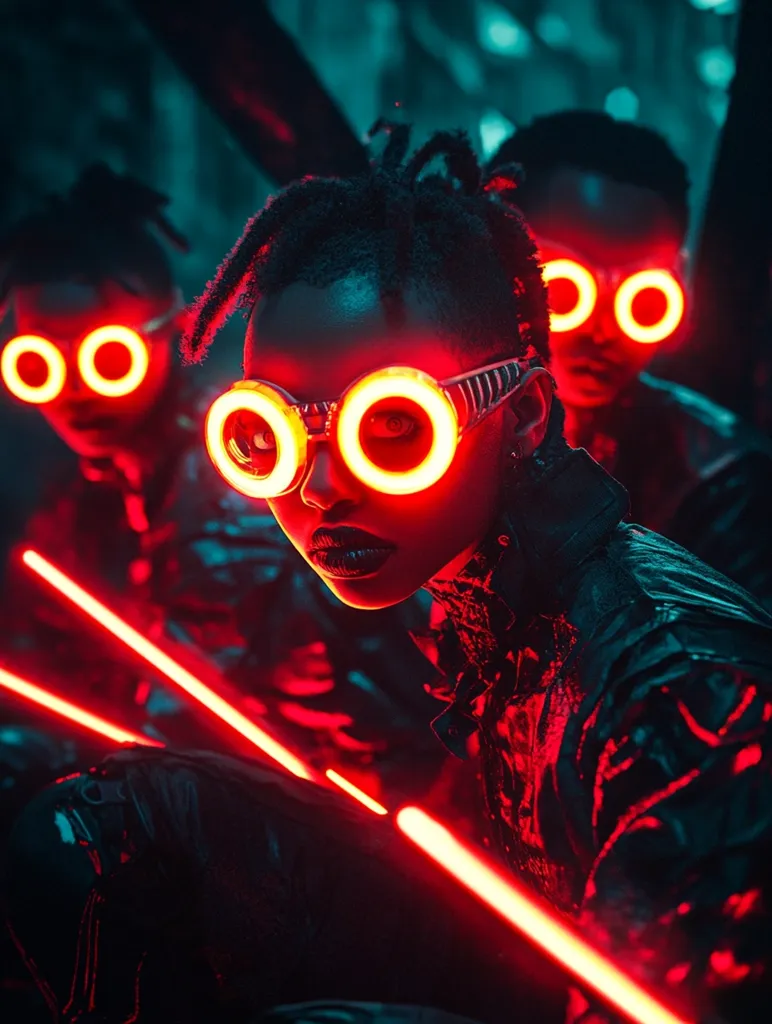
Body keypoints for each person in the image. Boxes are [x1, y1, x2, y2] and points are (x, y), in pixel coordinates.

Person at [5, 127, 772, 1024]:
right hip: (519, 940)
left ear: (524, 413)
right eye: (267, 437)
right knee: (102, 831)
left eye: (394, 427)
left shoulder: (684, 690)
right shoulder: (484, 584)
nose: (320, 488)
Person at [490, 110, 772, 610]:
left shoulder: (719, 477)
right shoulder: (413, 426)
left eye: (644, 301)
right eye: (563, 290)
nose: (603, 331)